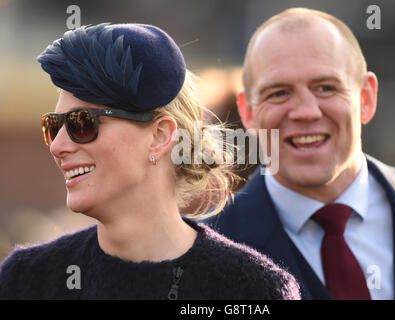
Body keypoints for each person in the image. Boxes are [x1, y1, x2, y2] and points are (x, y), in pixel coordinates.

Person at [0, 23, 300, 300]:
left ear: (159, 136)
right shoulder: (27, 280)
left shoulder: (252, 290)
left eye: (82, 123)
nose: (58, 146)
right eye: (54, 126)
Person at [206, 8, 395, 299]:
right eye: (279, 93)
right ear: (248, 112)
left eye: (325, 87)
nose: (306, 112)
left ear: (366, 97)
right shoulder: (203, 251)